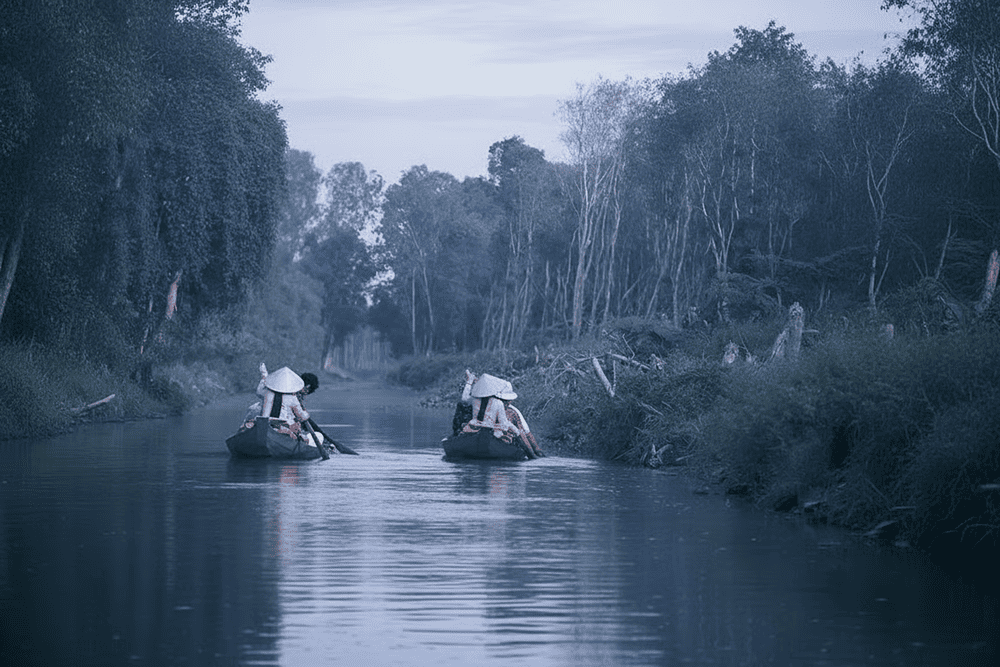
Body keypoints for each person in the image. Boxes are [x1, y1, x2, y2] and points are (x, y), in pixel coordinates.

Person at [461, 373, 539, 459]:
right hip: (487, 429)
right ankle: (533, 456)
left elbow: (464, 399)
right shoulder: (498, 403)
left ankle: (533, 455)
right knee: (516, 431)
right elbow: (504, 424)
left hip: (476, 427)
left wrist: (469, 382)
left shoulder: (475, 399)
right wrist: (511, 429)